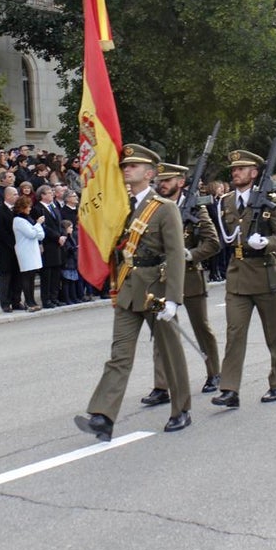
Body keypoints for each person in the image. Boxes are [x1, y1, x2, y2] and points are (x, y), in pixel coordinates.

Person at [75, 145, 191, 441]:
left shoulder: (164, 208)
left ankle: (181, 409)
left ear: (150, 174)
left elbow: (176, 254)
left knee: (169, 352)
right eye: (126, 165)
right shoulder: (120, 207)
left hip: (156, 291)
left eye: (134, 166)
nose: (127, 169)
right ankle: (103, 417)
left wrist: (175, 299)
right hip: (127, 289)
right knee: (119, 355)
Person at [211, 149, 276, 409]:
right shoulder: (226, 202)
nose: (235, 173)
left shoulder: (269, 200)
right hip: (237, 275)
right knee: (234, 333)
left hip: (265, 273)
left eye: (241, 169)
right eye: (234, 169)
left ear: (254, 173)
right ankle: (229, 389)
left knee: (274, 333)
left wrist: (267, 242)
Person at [141, 161, 222, 405]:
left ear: (180, 182)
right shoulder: (153, 207)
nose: (162, 185)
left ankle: (214, 373)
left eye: (167, 181)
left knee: (201, 328)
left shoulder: (197, 209)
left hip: (189, 277)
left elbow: (213, 242)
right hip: (160, 279)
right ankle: (161, 386)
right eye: (160, 181)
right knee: (162, 330)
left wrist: (191, 254)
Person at [32, 184, 64, 307]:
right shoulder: (38, 209)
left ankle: (54, 297)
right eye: (49, 192)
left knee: (56, 273)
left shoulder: (54, 206)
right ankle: (46, 300)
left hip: (58, 244)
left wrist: (63, 235)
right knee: (47, 274)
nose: (52, 194)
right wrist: (57, 236)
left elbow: (60, 223)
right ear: (42, 195)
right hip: (48, 244)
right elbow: (44, 227)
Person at [12, 194, 44, 308]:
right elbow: (31, 234)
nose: (30, 208)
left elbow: (40, 235)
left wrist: (36, 228)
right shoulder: (18, 220)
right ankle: (28, 301)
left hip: (32, 249)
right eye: (28, 206)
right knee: (26, 277)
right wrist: (38, 224)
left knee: (32, 277)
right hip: (25, 250)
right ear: (22, 207)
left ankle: (32, 300)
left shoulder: (28, 219)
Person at [0, 186, 23, 312]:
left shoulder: (18, 211)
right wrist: (13, 244)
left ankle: (16, 301)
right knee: (6, 277)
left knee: (18, 277)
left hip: (19, 249)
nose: (17, 196)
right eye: (15, 194)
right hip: (6, 250)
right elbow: (0, 232)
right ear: (7, 196)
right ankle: (5, 303)